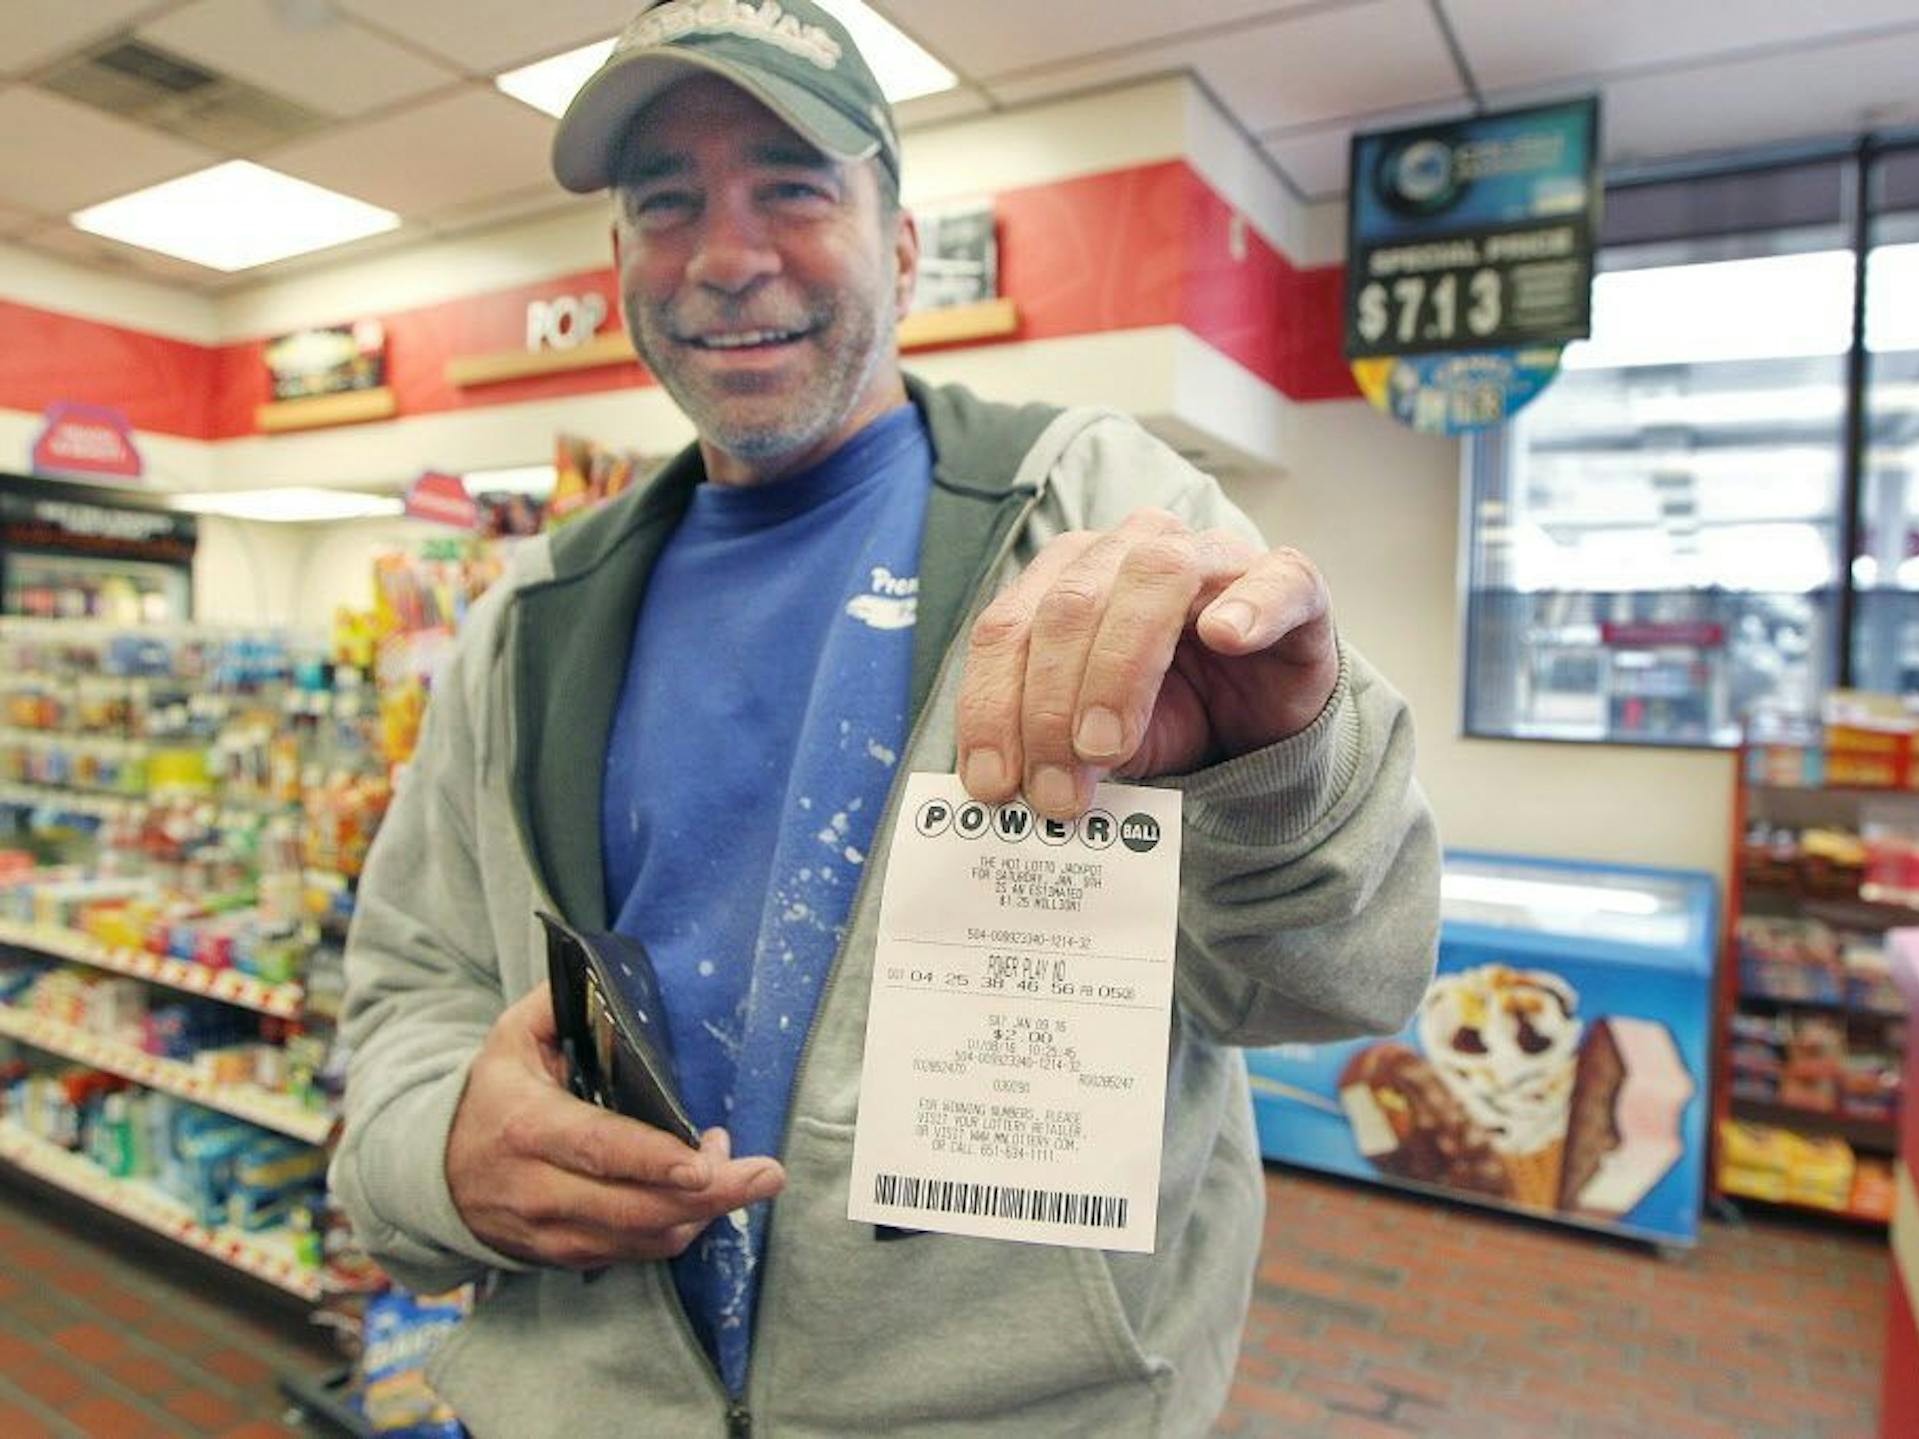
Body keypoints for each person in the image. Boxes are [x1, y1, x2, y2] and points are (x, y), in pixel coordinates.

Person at [328, 2, 1440, 1434]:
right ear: (617, 262)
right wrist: (441, 1153)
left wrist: (1274, 772)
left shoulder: (1102, 514)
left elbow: (1342, 984)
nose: (726, 257)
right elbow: (412, 985)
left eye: (794, 188)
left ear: (903, 249)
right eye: (666, 205)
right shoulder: (531, 618)